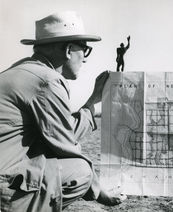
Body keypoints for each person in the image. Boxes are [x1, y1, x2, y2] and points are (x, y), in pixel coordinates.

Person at [0, 11, 125, 212]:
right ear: (68, 50)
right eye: (84, 49)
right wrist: (100, 193)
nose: (84, 58)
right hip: (4, 188)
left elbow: (56, 132)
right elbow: (65, 143)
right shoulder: (47, 80)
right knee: (81, 171)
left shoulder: (22, 70)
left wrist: (92, 101)